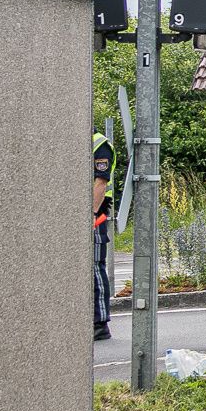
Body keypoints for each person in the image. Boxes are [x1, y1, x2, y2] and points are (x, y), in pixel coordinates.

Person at [91, 128, 114, 344]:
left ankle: (100, 324)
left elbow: (100, 183)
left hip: (95, 218)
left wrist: (92, 214)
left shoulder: (99, 144)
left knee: (95, 266)